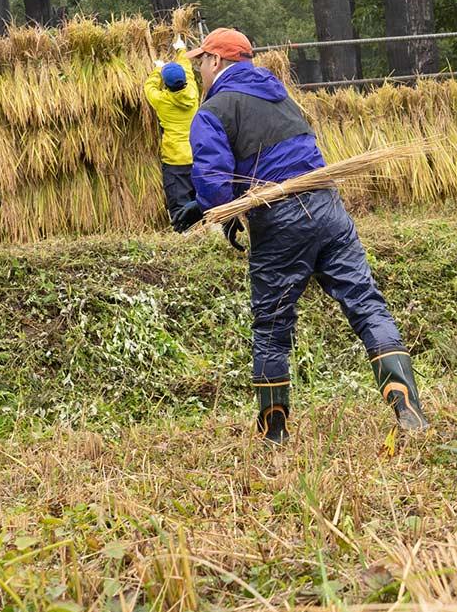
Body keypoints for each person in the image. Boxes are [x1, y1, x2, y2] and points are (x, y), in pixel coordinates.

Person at [184, 27, 428, 444]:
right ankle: (410, 412)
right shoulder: (280, 94)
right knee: (367, 304)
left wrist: (221, 213)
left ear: (217, 62)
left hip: (280, 220)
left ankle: (274, 434)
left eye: (200, 62)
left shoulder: (214, 110)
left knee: (272, 326)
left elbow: (213, 184)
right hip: (328, 206)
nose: (198, 71)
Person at [143, 37, 202, 231]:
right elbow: (187, 69)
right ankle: (206, 231)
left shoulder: (161, 101)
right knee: (199, 196)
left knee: (178, 200)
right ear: (184, 81)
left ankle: (184, 232)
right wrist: (181, 50)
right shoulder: (193, 94)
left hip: (175, 159)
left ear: (166, 85)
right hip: (195, 153)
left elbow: (149, 87)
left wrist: (158, 69)